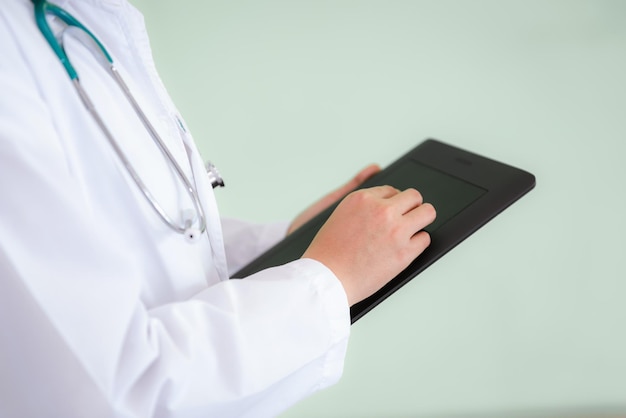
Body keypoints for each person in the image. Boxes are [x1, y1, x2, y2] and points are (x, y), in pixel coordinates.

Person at [0, 1, 436, 417]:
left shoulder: (82, 20)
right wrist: (328, 278)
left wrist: (291, 245)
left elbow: (124, 237)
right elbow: (110, 395)